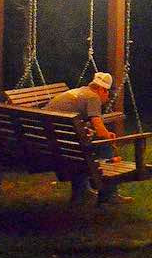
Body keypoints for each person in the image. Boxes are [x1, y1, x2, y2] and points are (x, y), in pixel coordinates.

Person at [45, 72, 132, 205]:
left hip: (49, 141)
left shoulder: (79, 91)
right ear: (102, 89)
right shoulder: (93, 97)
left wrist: (101, 133)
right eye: (107, 93)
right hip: (65, 142)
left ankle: (81, 192)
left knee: (80, 151)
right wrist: (108, 136)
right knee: (105, 146)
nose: (107, 97)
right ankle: (109, 194)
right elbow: (97, 124)